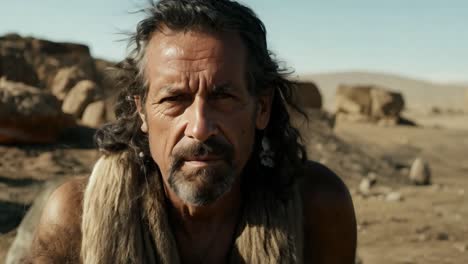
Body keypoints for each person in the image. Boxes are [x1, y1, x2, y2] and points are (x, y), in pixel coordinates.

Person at [26, 0, 356, 263]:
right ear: (142, 111)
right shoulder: (76, 217)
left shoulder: (317, 207)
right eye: (174, 99)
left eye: (223, 97)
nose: (199, 128)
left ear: (262, 107)